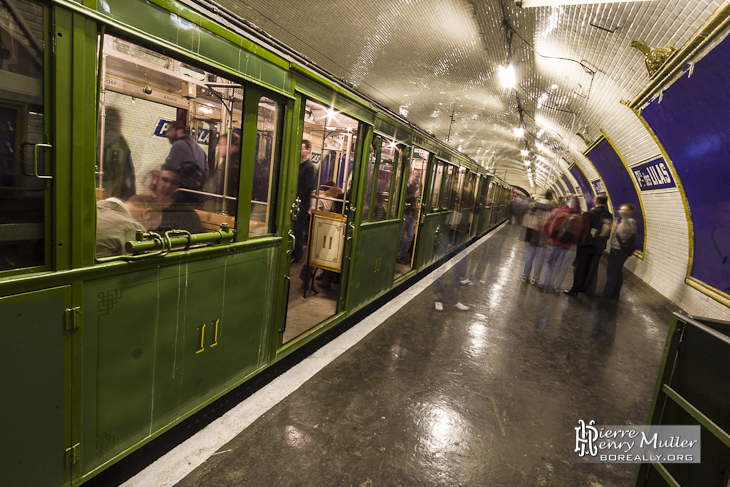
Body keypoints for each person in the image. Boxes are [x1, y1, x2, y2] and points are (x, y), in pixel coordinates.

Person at [538, 196, 587, 293]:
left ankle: (544, 283)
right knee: (563, 267)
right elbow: (583, 233)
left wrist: (551, 237)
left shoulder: (563, 212)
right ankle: (556, 287)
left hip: (557, 242)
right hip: (570, 246)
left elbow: (553, 227)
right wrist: (576, 244)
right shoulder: (580, 216)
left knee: (550, 263)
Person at [565, 195, 613, 296]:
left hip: (586, 245)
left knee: (580, 267)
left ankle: (575, 289)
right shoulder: (609, 215)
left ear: (596, 201)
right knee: (592, 268)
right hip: (599, 246)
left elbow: (583, 230)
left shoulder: (589, 214)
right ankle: (587, 289)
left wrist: (578, 243)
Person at [96, 194, 162, 257]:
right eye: (150, 229)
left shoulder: (96, 208)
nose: (146, 235)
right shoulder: (132, 228)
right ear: (147, 214)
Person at [148, 165, 202, 233]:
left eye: (174, 182)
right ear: (156, 181)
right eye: (165, 180)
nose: (168, 186)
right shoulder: (145, 205)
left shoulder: (187, 215)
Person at [600, 204, 637, 300]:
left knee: (612, 273)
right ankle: (615, 294)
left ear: (630, 212)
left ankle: (606, 295)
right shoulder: (625, 221)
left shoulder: (630, 221)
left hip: (618, 250)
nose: (620, 211)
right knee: (618, 272)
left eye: (623, 210)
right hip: (618, 250)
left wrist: (616, 228)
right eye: (621, 209)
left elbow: (630, 231)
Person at [164, 120, 209, 200]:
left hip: (180, 195)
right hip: (196, 196)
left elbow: (169, 170)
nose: (167, 134)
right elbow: (206, 174)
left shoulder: (179, 145)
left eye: (170, 131)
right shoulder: (202, 151)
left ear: (180, 131)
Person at [521, 190, 555, 284]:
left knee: (530, 255)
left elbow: (528, 218)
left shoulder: (534, 205)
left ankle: (525, 276)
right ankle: (535, 279)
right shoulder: (550, 207)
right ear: (551, 197)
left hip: (533, 233)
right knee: (540, 258)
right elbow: (547, 223)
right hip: (543, 235)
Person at [292, 139, 315, 262]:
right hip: (298, 201)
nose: (300, 151)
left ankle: (297, 254)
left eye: (302, 148)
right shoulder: (299, 165)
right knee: (295, 227)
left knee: (298, 228)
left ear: (308, 150)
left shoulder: (309, 167)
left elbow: (308, 186)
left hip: (303, 202)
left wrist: (298, 197)